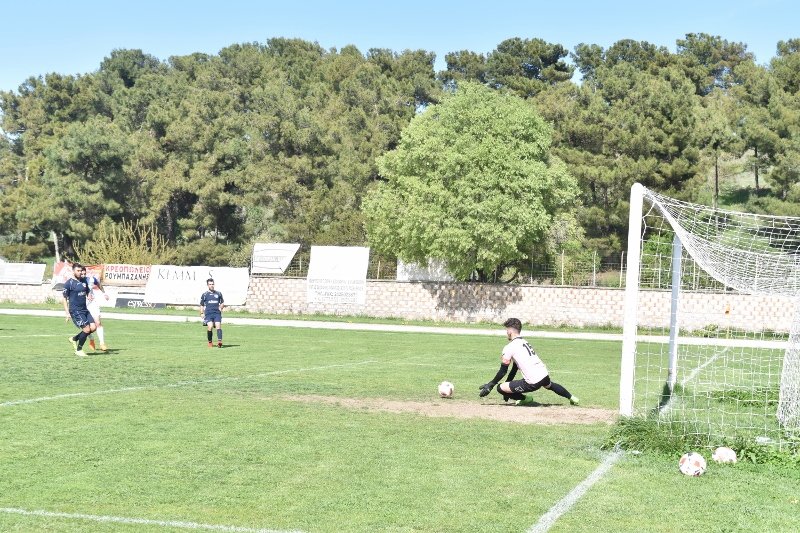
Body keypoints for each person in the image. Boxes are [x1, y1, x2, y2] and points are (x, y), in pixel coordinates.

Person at [478, 318, 579, 406]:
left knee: (500, 388)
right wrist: (508, 387)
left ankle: (526, 399)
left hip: (533, 382)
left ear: (510, 331)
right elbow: (514, 367)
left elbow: (503, 371)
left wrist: (491, 385)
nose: (506, 333)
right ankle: (572, 398)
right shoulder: (524, 342)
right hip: (544, 374)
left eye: (506, 330)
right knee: (550, 385)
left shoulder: (509, 347)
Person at [62, 262, 97, 357]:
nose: (80, 272)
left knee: (93, 328)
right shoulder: (69, 283)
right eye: (78, 270)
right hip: (75, 310)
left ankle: (74, 339)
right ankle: (79, 350)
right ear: (73, 271)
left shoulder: (84, 280)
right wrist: (67, 313)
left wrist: (89, 295)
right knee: (86, 329)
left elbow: (87, 291)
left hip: (84, 309)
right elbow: (64, 298)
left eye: (81, 270)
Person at [82, 266, 110, 352]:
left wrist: (104, 293)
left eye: (84, 273)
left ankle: (102, 343)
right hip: (82, 305)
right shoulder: (75, 282)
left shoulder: (90, 279)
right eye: (80, 273)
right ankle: (91, 339)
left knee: (98, 322)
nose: (82, 274)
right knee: (87, 326)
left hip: (93, 304)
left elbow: (98, 284)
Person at [199, 278, 224, 348]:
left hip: (217, 313)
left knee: (218, 326)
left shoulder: (218, 293)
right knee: (210, 326)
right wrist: (201, 313)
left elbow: (222, 303)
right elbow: (201, 305)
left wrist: (221, 307)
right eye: (210, 284)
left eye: (212, 284)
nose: (211, 285)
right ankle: (210, 342)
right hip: (208, 314)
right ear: (207, 285)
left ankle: (219, 342)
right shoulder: (204, 294)